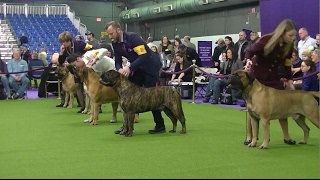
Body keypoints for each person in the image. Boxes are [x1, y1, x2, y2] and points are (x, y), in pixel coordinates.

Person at [104, 21, 164, 134]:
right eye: (108, 34)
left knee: (151, 96)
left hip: (150, 67)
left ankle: (160, 125)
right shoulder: (115, 43)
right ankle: (126, 127)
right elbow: (117, 60)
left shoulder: (133, 38)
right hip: (137, 68)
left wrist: (130, 67)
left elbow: (144, 55)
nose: (110, 37)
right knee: (127, 94)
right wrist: (120, 68)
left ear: (118, 30)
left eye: (111, 34)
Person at [244, 19, 297, 145]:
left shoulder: (288, 47)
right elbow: (250, 52)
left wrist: (289, 80)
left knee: (282, 105)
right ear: (282, 32)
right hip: (258, 77)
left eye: (294, 35)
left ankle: (286, 136)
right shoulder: (266, 39)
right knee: (252, 108)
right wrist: (248, 60)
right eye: (290, 35)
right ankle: (250, 136)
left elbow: (287, 64)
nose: (293, 38)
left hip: (273, 78)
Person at [57, 31, 93, 113]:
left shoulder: (79, 44)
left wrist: (83, 58)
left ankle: (97, 106)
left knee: (90, 87)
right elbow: (61, 62)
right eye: (62, 43)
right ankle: (83, 107)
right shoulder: (65, 49)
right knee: (77, 86)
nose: (63, 44)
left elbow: (91, 48)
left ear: (69, 40)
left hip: (85, 68)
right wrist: (61, 53)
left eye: (64, 42)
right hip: (75, 71)